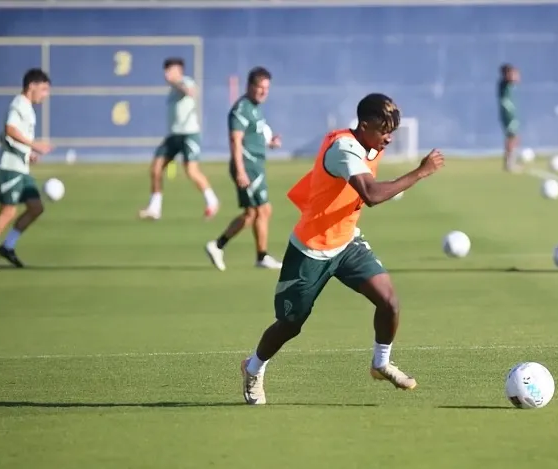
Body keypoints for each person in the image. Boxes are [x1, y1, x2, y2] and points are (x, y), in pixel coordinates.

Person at [239, 93, 446, 405]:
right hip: (311, 250)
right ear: (363, 125)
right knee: (291, 324)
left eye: (392, 131)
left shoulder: (370, 145)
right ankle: (253, 368)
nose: (388, 138)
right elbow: (372, 195)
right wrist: (420, 172)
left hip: (347, 242)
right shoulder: (343, 148)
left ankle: (381, 363)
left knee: (389, 302)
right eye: (384, 131)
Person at [0, 68, 53, 270]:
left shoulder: (28, 108)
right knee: (7, 212)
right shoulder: (19, 104)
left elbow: (13, 137)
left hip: (21, 168)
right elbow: (10, 129)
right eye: (43, 89)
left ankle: (7, 247)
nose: (46, 95)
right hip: (10, 169)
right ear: (31, 86)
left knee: (36, 207)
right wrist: (34, 145)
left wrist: (28, 153)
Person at [205, 67, 283, 271]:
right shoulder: (241, 109)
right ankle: (224, 246)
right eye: (260, 88)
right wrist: (240, 170)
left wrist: (270, 142)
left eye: (267, 88)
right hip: (248, 168)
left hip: (256, 166)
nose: (264, 92)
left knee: (254, 213)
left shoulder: (255, 108)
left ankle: (247, 252)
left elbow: (254, 137)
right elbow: (236, 140)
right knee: (262, 210)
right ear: (250, 86)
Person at [139, 58, 219, 220]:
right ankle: (155, 208)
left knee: (191, 171)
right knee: (156, 169)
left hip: (189, 134)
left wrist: (175, 82)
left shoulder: (185, 82)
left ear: (179, 70)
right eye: (166, 70)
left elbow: (189, 92)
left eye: (171, 70)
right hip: (173, 135)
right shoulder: (171, 90)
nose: (167, 73)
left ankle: (212, 201)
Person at [498, 64, 521, 172]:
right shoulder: (504, 84)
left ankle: (511, 162)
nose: (516, 76)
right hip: (508, 114)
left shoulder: (506, 85)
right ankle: (510, 164)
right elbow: (512, 79)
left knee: (514, 137)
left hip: (510, 114)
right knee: (512, 137)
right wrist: (513, 76)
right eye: (514, 73)